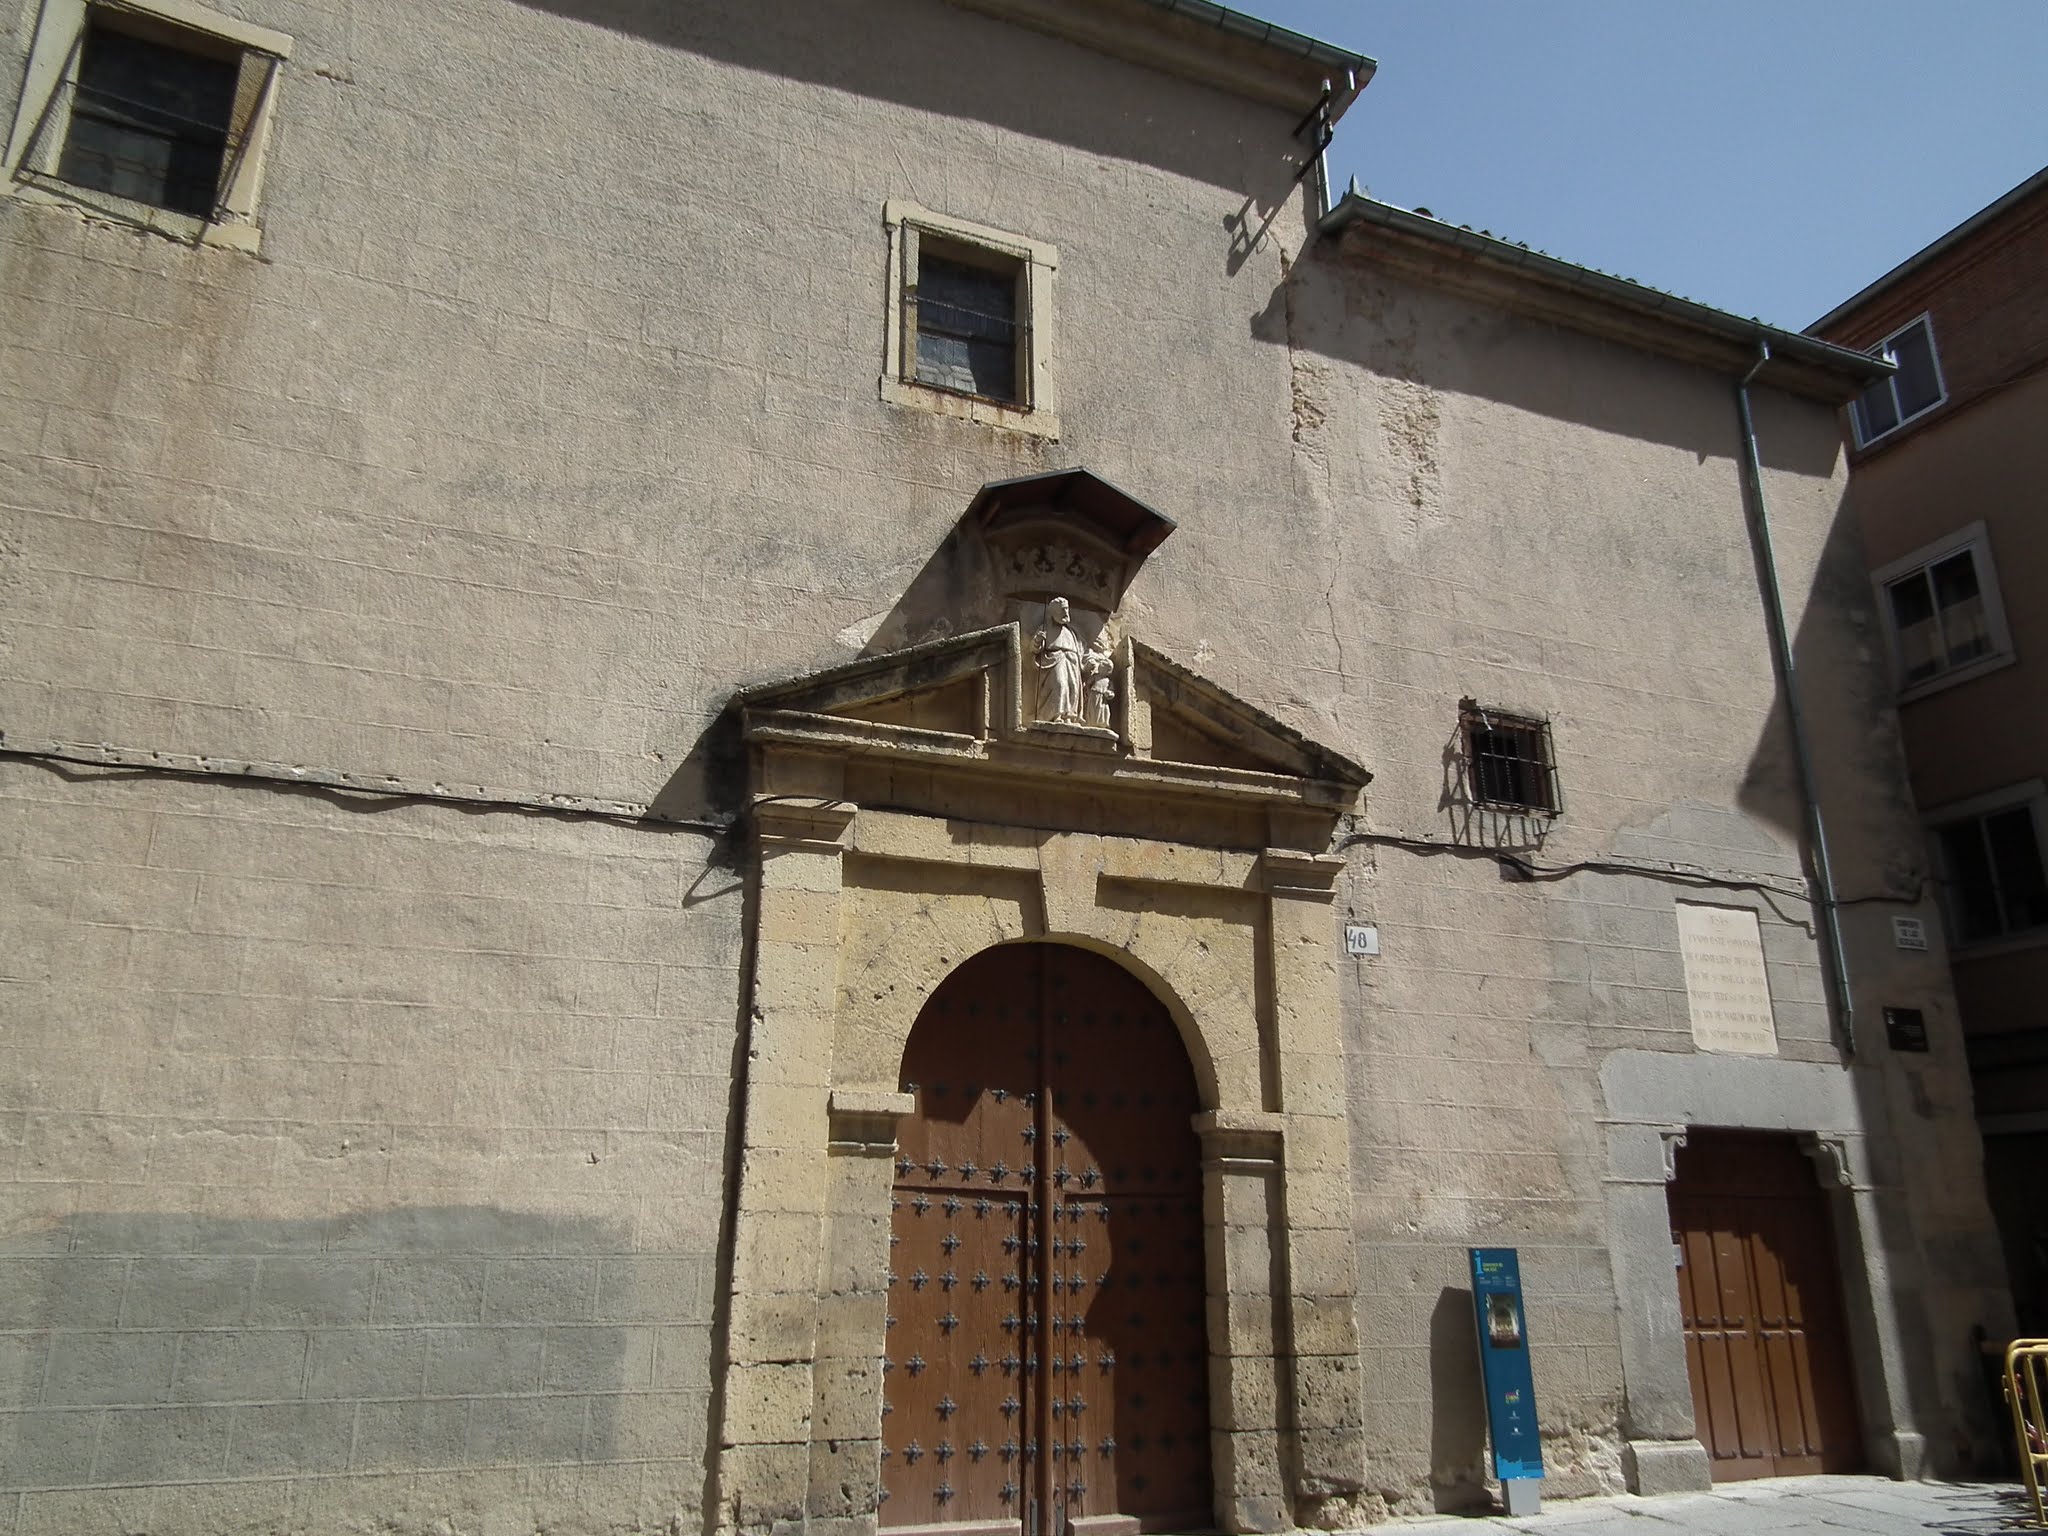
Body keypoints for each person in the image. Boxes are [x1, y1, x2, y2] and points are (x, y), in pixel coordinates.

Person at [1033, 597, 1084, 723]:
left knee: (1073, 688)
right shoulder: (1045, 628)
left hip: (1072, 663)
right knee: (1060, 684)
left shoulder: (1072, 632)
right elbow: (1034, 649)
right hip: (1054, 661)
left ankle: (1068, 716)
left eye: (1066, 609)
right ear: (1052, 614)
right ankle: (1055, 715)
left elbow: (1081, 649)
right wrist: (1037, 640)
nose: (1065, 613)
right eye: (1061, 611)